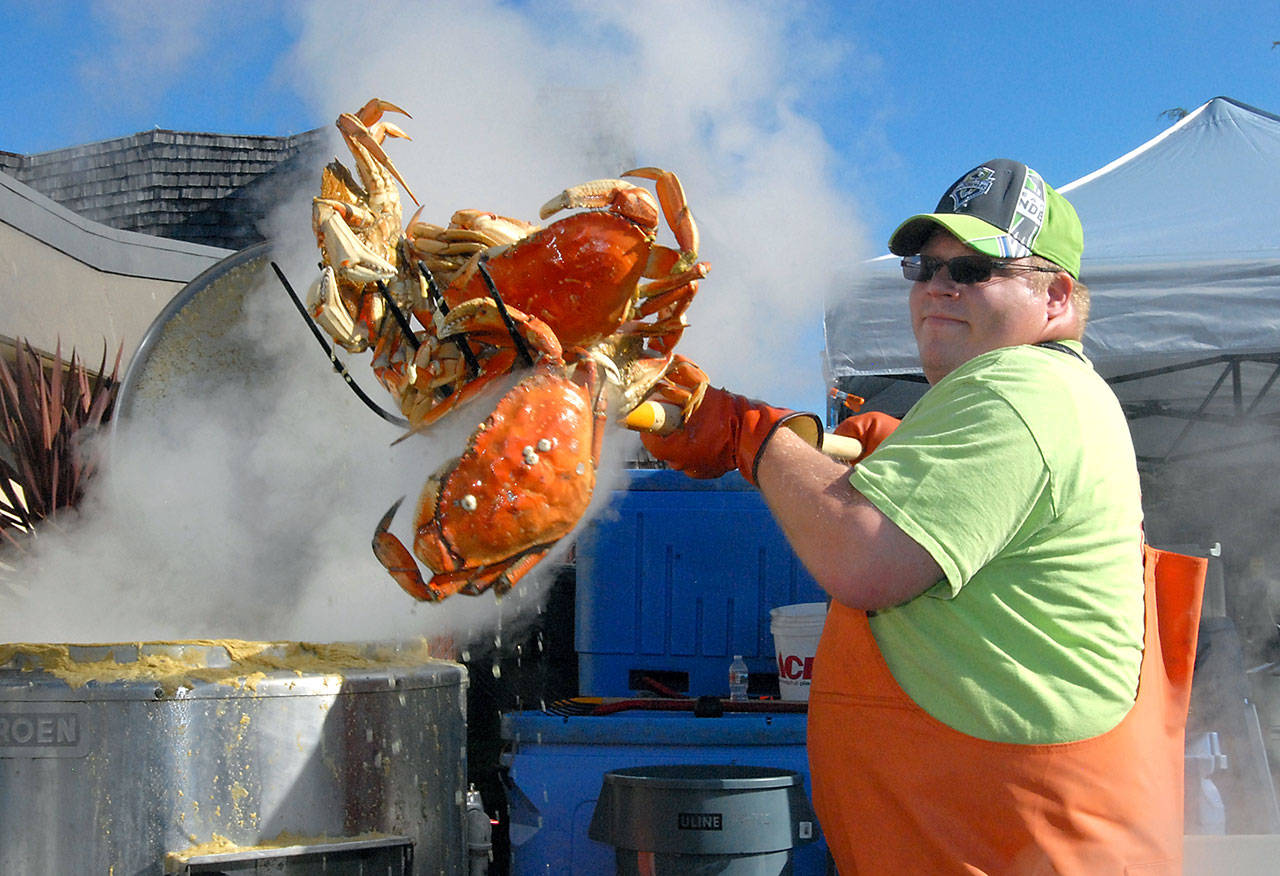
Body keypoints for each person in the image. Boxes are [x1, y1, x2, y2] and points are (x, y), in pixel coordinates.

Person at [642, 159, 1206, 874]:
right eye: (924, 265)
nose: (939, 285)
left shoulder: (1017, 392)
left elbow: (863, 555)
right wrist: (894, 454)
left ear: (1057, 296)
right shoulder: (1054, 393)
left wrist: (752, 435)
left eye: (974, 269)